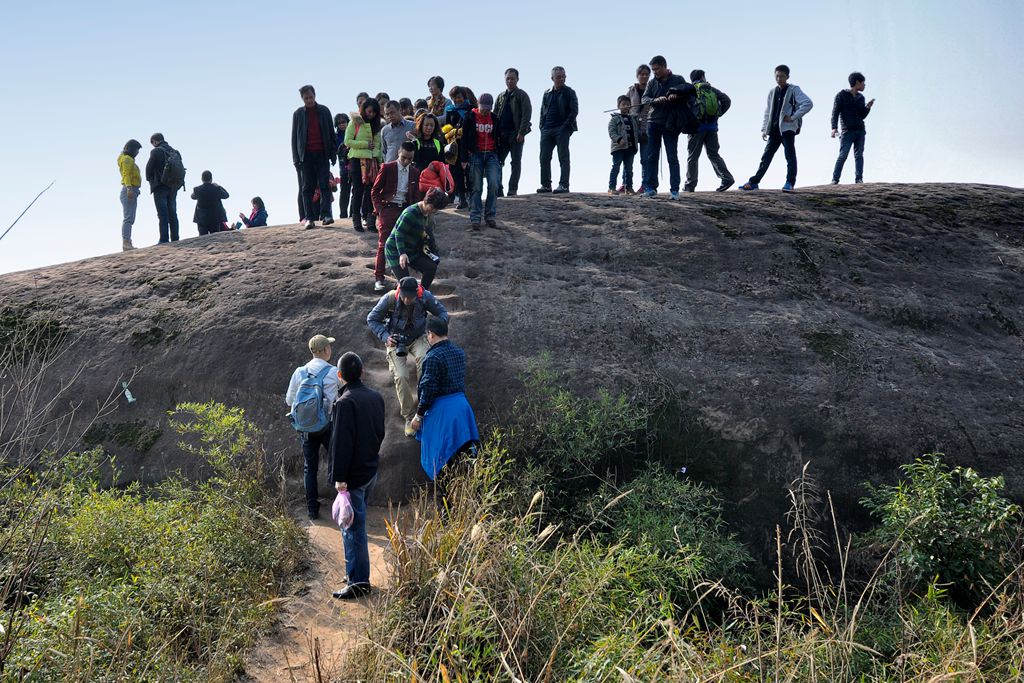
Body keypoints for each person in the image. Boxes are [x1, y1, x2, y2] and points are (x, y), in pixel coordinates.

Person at [328, 351, 385, 600]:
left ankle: (359, 582)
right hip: (370, 470)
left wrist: (339, 479)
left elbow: (340, 444)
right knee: (356, 524)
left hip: (352, 477)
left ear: (340, 376)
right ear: (361, 372)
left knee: (353, 529)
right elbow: (380, 433)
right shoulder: (375, 397)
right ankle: (354, 571)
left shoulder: (344, 403)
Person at [366, 276, 449, 436]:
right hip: (395, 340)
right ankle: (409, 416)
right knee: (401, 376)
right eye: (404, 295)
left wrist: (434, 330)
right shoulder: (390, 298)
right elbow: (372, 319)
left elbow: (443, 314)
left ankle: (424, 405)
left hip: (418, 337)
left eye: (410, 296)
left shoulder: (425, 296)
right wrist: (385, 336)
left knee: (425, 364)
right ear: (399, 290)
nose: (406, 299)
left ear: (416, 293)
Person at [411, 317, 479, 479]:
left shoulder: (433, 357)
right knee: (466, 456)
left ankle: (449, 499)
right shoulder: (459, 353)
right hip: (462, 409)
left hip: (443, 413)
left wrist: (419, 415)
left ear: (431, 334)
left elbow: (428, 389)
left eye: (427, 335)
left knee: (442, 461)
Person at [286, 334, 341, 520]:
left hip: (307, 429)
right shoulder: (334, 372)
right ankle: (342, 504)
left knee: (310, 467)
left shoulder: (299, 372)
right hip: (328, 426)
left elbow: (289, 401)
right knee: (338, 462)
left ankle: (312, 509)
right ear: (326, 350)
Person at [740, 65, 813, 193]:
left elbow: (808, 103)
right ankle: (754, 182)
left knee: (790, 156)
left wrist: (793, 117)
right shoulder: (772, 92)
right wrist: (764, 129)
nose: (779, 79)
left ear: (788, 77)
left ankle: (790, 183)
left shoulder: (794, 89)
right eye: (777, 76)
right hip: (774, 130)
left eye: (782, 76)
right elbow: (767, 112)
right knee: (766, 157)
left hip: (787, 129)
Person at [371, 142, 422, 292]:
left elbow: (417, 194)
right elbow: (375, 191)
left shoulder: (415, 172)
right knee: (384, 243)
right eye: (404, 157)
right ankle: (379, 278)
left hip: (406, 210)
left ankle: (401, 278)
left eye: (410, 159)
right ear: (399, 152)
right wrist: (380, 211)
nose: (406, 161)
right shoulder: (387, 167)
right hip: (388, 209)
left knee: (404, 243)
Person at [641, 56, 690, 199]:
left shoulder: (678, 79)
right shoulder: (651, 83)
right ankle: (651, 188)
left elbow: (688, 92)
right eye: (653, 69)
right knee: (651, 156)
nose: (654, 72)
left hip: (671, 123)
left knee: (672, 157)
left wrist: (676, 95)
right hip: (653, 122)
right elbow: (645, 99)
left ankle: (674, 190)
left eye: (656, 69)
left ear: (664, 67)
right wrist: (655, 100)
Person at [291, 85, 338, 230]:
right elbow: (294, 138)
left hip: (322, 153)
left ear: (315, 95)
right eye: (306, 98)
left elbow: (331, 132)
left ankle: (326, 215)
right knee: (307, 188)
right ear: (302, 99)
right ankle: (309, 218)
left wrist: (333, 153)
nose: (309, 100)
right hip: (305, 156)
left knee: (324, 184)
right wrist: (295, 159)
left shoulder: (324, 111)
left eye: (311, 97)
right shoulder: (298, 114)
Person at [384, 188, 447, 290]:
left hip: (411, 250)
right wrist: (402, 253)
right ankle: (402, 300)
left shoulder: (427, 214)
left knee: (431, 267)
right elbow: (399, 233)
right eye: (432, 207)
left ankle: (421, 294)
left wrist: (434, 253)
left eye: (436, 209)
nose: (433, 210)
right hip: (396, 250)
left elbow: (428, 234)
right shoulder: (411, 213)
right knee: (407, 284)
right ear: (427, 201)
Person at [684, 70, 735, 193]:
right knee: (713, 154)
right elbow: (727, 100)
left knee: (693, 157)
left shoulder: (690, 90)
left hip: (696, 129)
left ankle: (690, 185)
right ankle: (727, 178)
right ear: (702, 77)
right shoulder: (711, 89)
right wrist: (718, 114)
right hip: (712, 128)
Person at [462, 93, 502, 229]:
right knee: (476, 186)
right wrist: (464, 158)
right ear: (478, 106)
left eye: (488, 108)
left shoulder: (495, 119)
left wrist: (500, 156)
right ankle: (475, 218)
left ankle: (490, 216)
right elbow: (464, 139)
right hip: (475, 154)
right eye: (483, 108)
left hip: (492, 154)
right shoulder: (469, 117)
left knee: (494, 184)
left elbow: (499, 137)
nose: (485, 111)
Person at [537, 66, 578, 194]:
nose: (561, 79)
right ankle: (546, 185)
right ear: (552, 78)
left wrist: (565, 127)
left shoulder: (569, 92)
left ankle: (564, 185)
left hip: (562, 129)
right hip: (547, 129)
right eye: (558, 77)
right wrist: (541, 126)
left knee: (563, 157)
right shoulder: (547, 93)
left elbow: (574, 111)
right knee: (544, 158)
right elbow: (542, 110)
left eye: (563, 76)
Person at [345, 98, 383, 232]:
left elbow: (378, 145)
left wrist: (380, 162)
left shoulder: (377, 125)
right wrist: (365, 145)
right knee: (358, 190)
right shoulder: (354, 122)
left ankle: (370, 221)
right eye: (369, 111)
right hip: (356, 160)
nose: (371, 114)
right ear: (363, 109)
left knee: (371, 192)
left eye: (374, 112)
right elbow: (347, 141)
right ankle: (356, 220)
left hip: (372, 162)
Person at [493, 68, 532, 197]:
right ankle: (499, 189)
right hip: (501, 135)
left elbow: (527, 115)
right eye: (507, 78)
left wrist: (521, 132)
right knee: (497, 162)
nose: (510, 81)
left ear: (517, 79)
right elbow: (494, 115)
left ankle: (512, 189)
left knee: (515, 162)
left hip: (516, 134)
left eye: (512, 78)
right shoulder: (500, 96)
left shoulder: (522, 95)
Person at [831, 71, 874, 184]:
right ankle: (835, 179)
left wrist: (868, 108)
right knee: (843, 155)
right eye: (863, 83)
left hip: (860, 130)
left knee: (859, 155)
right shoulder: (841, 95)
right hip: (847, 131)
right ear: (857, 82)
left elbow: (862, 115)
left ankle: (859, 179)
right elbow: (835, 112)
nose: (864, 85)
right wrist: (834, 128)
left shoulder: (861, 97)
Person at [144, 133, 183, 244]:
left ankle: (164, 239)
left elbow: (148, 169)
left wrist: (150, 180)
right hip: (173, 186)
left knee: (163, 214)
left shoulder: (156, 151)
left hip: (160, 186)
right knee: (173, 213)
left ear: (154, 141)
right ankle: (175, 237)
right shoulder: (175, 152)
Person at [444, 87, 474, 209]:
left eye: (459, 96)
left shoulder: (471, 110)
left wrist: (463, 132)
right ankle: (462, 199)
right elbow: (446, 127)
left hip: (467, 145)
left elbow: (473, 128)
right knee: (456, 173)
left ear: (464, 96)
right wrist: (451, 133)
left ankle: (472, 198)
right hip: (453, 146)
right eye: (454, 97)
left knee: (469, 173)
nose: (457, 99)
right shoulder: (450, 110)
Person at [627, 64, 653, 193]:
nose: (644, 76)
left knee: (645, 159)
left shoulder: (653, 89)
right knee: (628, 158)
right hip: (632, 127)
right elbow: (625, 107)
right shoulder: (631, 90)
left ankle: (645, 185)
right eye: (642, 74)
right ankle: (626, 185)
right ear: (637, 76)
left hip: (648, 127)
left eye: (647, 74)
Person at [608, 96, 641, 194]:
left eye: (628, 104)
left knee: (629, 169)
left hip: (630, 148)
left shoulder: (633, 119)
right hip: (618, 148)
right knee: (616, 167)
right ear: (618, 106)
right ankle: (611, 187)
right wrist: (618, 139)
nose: (626, 106)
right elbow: (611, 131)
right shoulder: (614, 119)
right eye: (623, 104)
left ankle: (629, 188)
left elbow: (636, 131)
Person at [117, 139, 142, 251]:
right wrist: (129, 188)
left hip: (132, 189)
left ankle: (128, 241)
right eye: (137, 150)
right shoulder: (127, 160)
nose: (137, 152)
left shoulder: (127, 159)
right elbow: (126, 175)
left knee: (130, 218)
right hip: (129, 189)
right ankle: (126, 242)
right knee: (128, 218)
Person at [191, 171, 230, 235]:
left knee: (202, 238)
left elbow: (192, 197)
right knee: (215, 236)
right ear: (211, 179)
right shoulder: (216, 188)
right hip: (215, 218)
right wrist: (219, 186)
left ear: (202, 179)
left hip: (201, 218)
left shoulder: (197, 189)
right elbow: (226, 195)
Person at [334, 113, 352, 219]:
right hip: (343, 168)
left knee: (356, 191)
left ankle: (353, 214)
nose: (342, 124)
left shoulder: (353, 133)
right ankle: (343, 215)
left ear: (347, 122)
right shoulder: (335, 137)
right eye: (339, 123)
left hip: (355, 166)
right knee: (345, 191)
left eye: (343, 122)